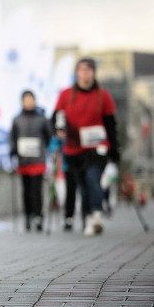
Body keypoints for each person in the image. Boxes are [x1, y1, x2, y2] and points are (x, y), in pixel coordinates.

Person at [52, 57, 119, 236]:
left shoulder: (103, 96)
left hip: (97, 147)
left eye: (88, 70)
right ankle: (89, 218)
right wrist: (58, 128)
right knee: (82, 185)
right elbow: (58, 116)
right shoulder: (66, 95)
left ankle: (96, 214)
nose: (85, 73)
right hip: (74, 149)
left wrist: (114, 149)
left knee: (92, 178)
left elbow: (111, 124)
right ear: (76, 73)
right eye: (81, 70)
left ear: (94, 73)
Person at [9, 90, 52, 232]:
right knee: (26, 190)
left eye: (30, 99)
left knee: (36, 189)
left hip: (38, 159)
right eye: (25, 100)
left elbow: (48, 136)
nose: (28, 102)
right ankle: (27, 214)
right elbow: (12, 138)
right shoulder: (17, 119)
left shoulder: (42, 118)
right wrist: (13, 151)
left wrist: (43, 147)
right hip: (23, 160)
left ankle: (38, 216)